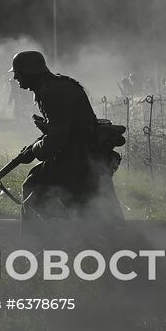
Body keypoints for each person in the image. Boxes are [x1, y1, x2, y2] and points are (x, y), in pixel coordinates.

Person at [11, 50, 123, 218]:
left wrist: (35, 150)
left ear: (28, 72)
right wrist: (38, 142)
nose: (15, 78)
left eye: (18, 73)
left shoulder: (52, 92)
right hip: (79, 155)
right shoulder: (54, 87)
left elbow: (58, 139)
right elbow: (63, 127)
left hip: (78, 159)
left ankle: (48, 240)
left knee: (36, 191)